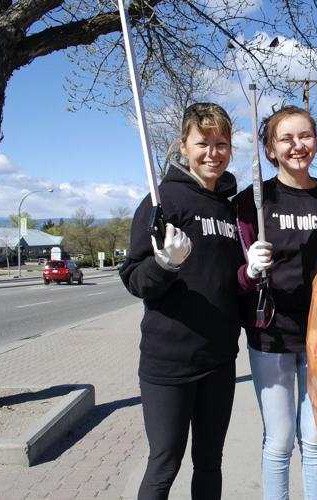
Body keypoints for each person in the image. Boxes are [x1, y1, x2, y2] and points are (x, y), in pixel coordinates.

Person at [120, 103, 242, 500]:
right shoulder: (163, 201)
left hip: (220, 361)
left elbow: (228, 281)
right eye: (202, 143)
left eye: (221, 143)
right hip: (169, 363)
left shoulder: (228, 207)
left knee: (210, 461)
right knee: (164, 464)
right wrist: (163, 265)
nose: (213, 153)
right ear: (184, 146)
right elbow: (135, 279)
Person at [235, 105, 317, 500]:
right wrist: (250, 268)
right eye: (286, 138)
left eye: (305, 136)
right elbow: (236, 272)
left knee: (316, 439)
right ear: (270, 149)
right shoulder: (254, 200)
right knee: (280, 440)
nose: (297, 145)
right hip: (272, 335)